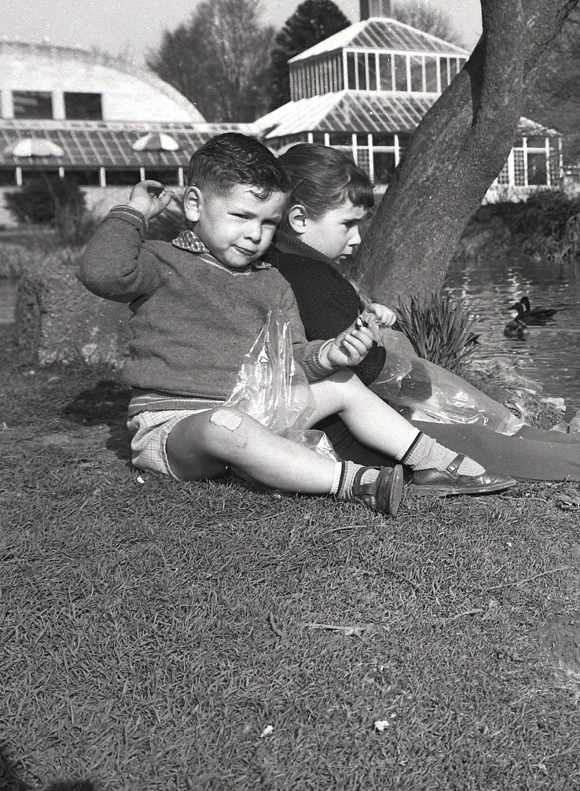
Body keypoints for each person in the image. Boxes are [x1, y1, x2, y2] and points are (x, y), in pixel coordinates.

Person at [77, 133, 513, 517]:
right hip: (179, 423)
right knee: (226, 427)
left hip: (256, 405)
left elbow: (291, 358)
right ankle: (354, 481)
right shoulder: (160, 262)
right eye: (241, 216)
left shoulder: (272, 281)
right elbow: (102, 272)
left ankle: (437, 462)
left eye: (268, 222)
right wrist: (132, 213)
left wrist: (328, 354)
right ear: (195, 204)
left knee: (342, 383)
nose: (255, 234)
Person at [267, 142, 580, 483]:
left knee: (482, 420)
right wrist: (388, 349)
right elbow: (356, 365)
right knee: (473, 437)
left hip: (365, 415)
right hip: (351, 435)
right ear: (301, 219)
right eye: (347, 225)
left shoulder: (308, 268)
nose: (358, 238)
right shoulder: (305, 276)